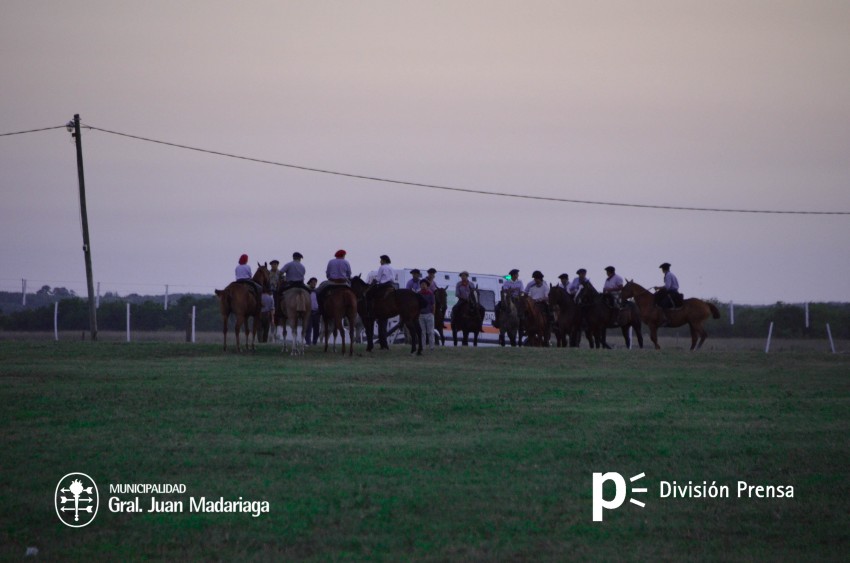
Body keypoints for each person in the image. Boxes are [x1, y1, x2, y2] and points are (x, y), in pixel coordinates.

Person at [418, 278, 436, 351]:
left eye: (424, 284)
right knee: (422, 332)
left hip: (429, 314)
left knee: (430, 331)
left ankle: (432, 347)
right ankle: (423, 347)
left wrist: (432, 314)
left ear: (427, 286)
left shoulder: (431, 294)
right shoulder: (418, 294)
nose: (423, 286)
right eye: (422, 284)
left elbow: (433, 304)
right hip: (421, 315)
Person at [305, 277, 321, 346]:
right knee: (308, 328)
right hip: (308, 312)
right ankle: (308, 342)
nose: (314, 284)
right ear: (310, 283)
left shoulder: (317, 292)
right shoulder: (306, 291)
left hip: (316, 312)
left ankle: (314, 342)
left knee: (316, 328)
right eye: (313, 282)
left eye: (315, 282)